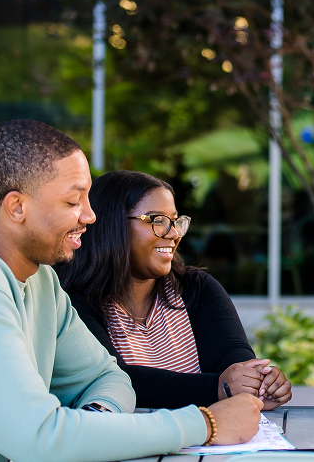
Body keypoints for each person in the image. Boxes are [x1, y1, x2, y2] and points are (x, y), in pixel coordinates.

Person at [0, 120, 262, 462]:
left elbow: (107, 375)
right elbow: (38, 438)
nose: (90, 216)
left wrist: (95, 420)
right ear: (17, 207)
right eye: (73, 201)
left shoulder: (40, 278)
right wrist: (204, 423)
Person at [57, 170, 292, 410]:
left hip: (209, 442)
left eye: (176, 221)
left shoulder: (196, 288)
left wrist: (257, 382)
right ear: (112, 224)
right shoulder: (71, 300)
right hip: (129, 444)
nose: (174, 233)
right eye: (158, 221)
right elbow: (112, 379)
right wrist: (216, 388)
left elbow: (232, 359)